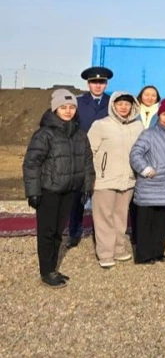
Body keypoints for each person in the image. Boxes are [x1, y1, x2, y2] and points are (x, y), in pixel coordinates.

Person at [23, 89, 95, 287]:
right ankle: (46, 271)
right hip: (49, 190)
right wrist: (33, 191)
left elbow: (87, 162)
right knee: (47, 232)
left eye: (72, 107)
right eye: (64, 107)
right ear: (55, 109)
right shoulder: (44, 134)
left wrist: (87, 186)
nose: (68, 111)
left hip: (69, 190)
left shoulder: (80, 134)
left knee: (58, 232)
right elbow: (31, 164)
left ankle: (53, 267)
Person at [88, 92, 143, 269]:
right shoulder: (101, 125)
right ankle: (105, 253)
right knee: (104, 217)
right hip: (104, 180)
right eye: (120, 104)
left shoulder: (137, 126)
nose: (123, 107)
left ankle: (118, 249)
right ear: (113, 105)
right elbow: (90, 151)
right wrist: (95, 174)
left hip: (127, 180)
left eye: (127, 104)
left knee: (120, 216)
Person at [129, 99, 165, 265]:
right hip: (150, 186)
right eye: (164, 114)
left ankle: (158, 252)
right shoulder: (149, 134)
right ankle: (144, 255)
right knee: (146, 222)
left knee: (161, 222)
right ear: (159, 115)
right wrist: (145, 169)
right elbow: (135, 153)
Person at [66, 66, 113, 249]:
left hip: (104, 158)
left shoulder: (111, 103)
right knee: (77, 197)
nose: (98, 85)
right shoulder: (77, 103)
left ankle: (99, 233)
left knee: (102, 198)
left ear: (106, 84)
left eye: (101, 82)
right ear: (88, 84)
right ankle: (74, 231)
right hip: (81, 156)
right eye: (94, 82)